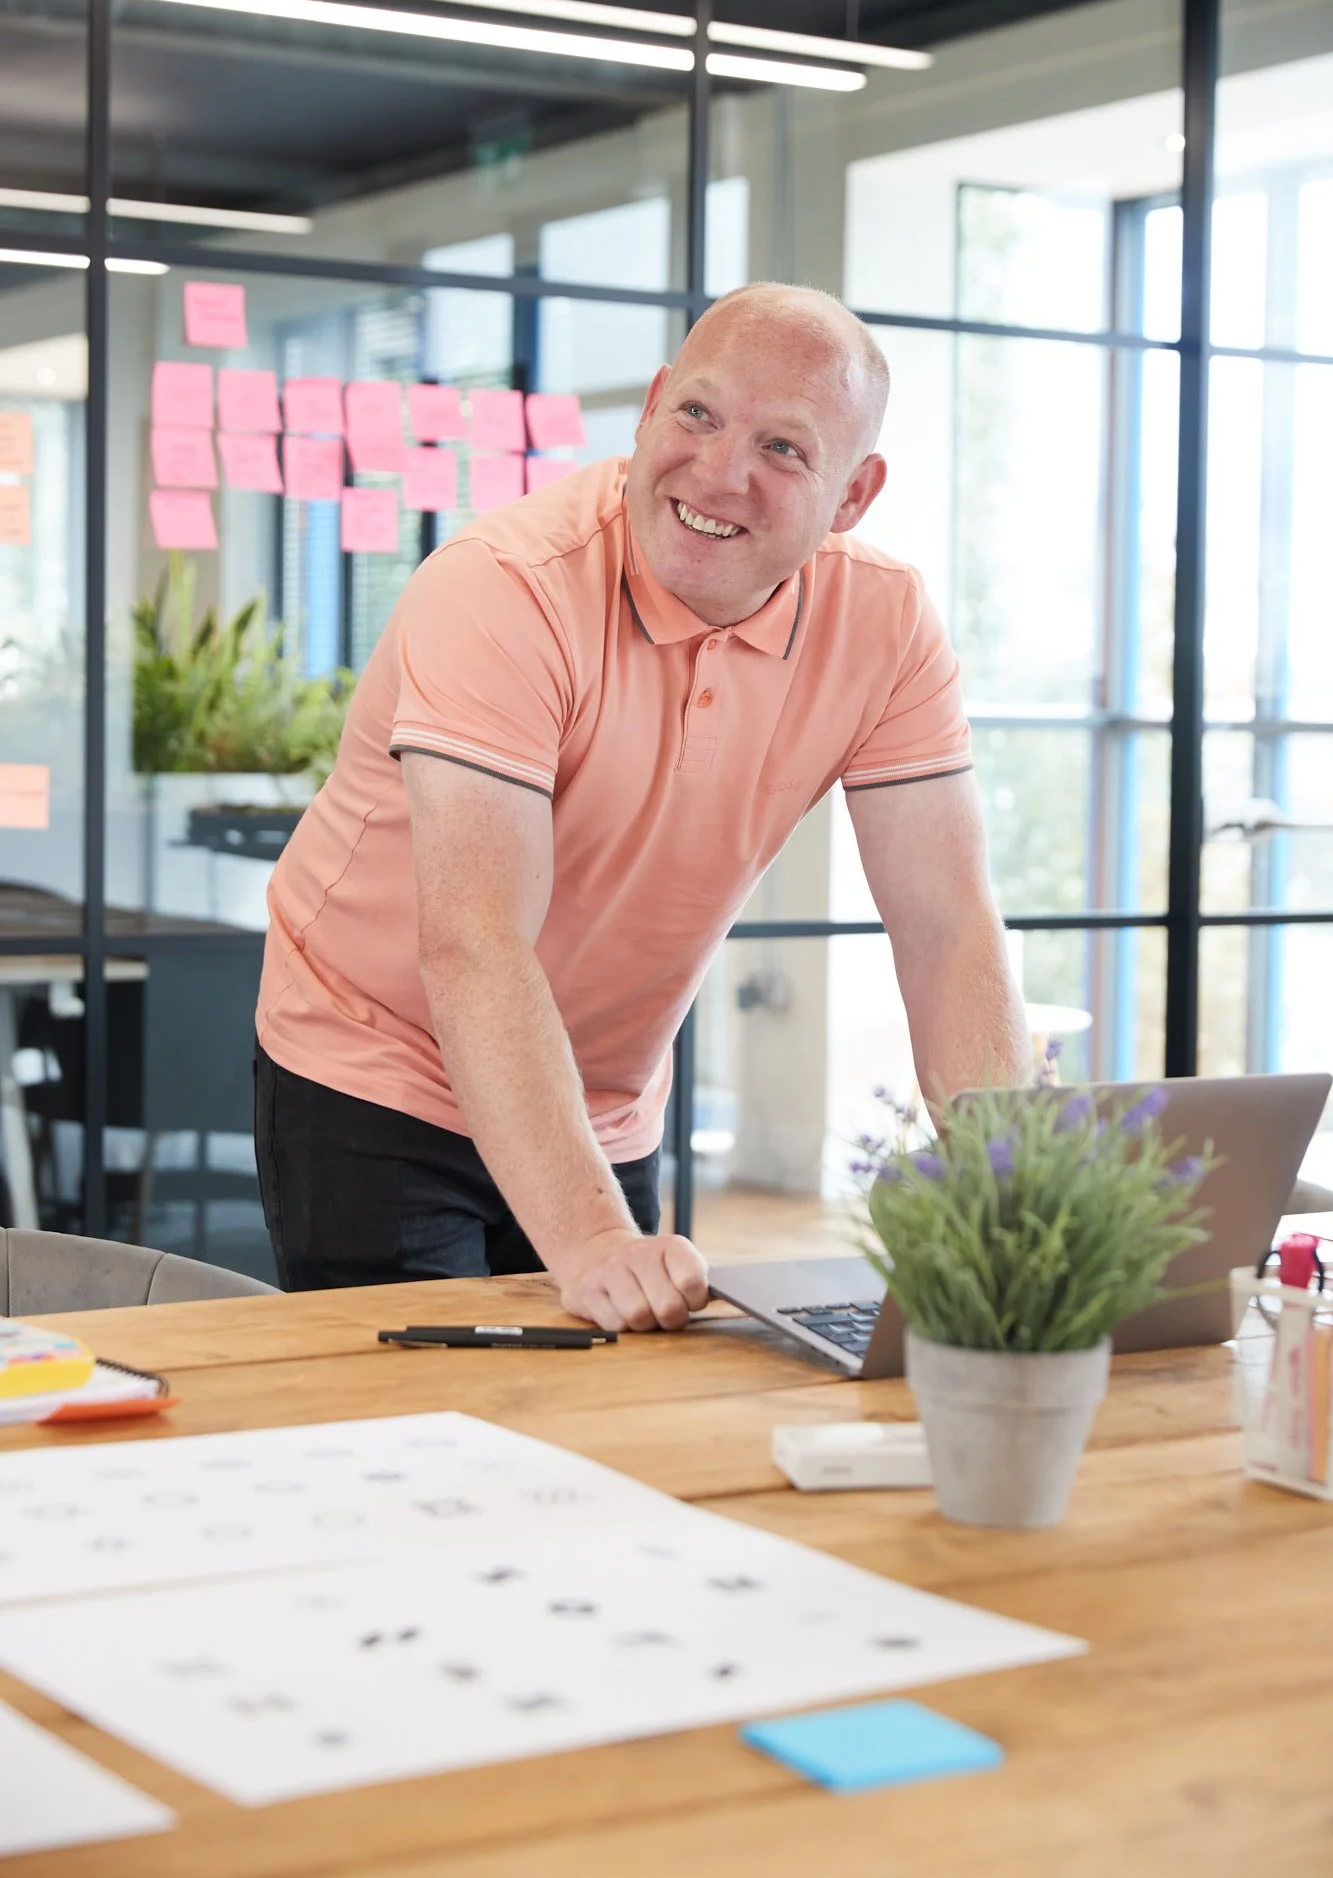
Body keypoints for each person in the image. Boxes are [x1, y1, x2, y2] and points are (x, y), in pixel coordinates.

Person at [254, 283, 1030, 1331]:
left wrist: (1021, 1199)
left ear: (854, 493)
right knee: (438, 1430)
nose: (718, 473)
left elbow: (945, 927)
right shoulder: (504, 588)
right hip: (378, 1062)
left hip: (602, 1094)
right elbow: (476, 943)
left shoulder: (883, 622)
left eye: (784, 448)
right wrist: (593, 1237)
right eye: (698, 415)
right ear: (653, 405)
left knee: (595, 1431)